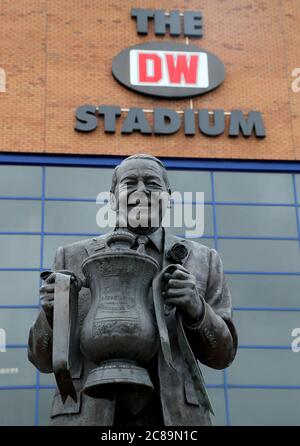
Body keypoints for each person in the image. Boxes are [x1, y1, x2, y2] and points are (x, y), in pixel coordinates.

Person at [28, 153, 237, 426]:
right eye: (130, 183)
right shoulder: (72, 258)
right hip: (90, 414)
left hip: (173, 418)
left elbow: (223, 355)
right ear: (113, 199)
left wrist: (197, 310)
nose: (141, 191)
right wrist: (51, 315)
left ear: (169, 197)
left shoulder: (202, 260)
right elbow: (42, 360)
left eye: (152, 183)